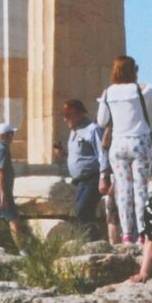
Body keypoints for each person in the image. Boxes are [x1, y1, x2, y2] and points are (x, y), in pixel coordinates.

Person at [96, 56, 152, 246]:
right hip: (139, 142)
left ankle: (126, 234)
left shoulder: (108, 93)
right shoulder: (142, 89)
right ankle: (142, 232)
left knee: (123, 190)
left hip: (118, 144)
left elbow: (101, 121)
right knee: (140, 189)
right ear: (133, 70)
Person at [61, 99, 104, 238]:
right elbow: (81, 155)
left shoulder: (92, 129)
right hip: (79, 182)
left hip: (92, 178)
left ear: (77, 113)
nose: (64, 119)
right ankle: (89, 241)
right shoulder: (73, 131)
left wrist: (104, 177)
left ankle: (92, 241)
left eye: (67, 115)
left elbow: (102, 154)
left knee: (82, 212)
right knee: (83, 214)